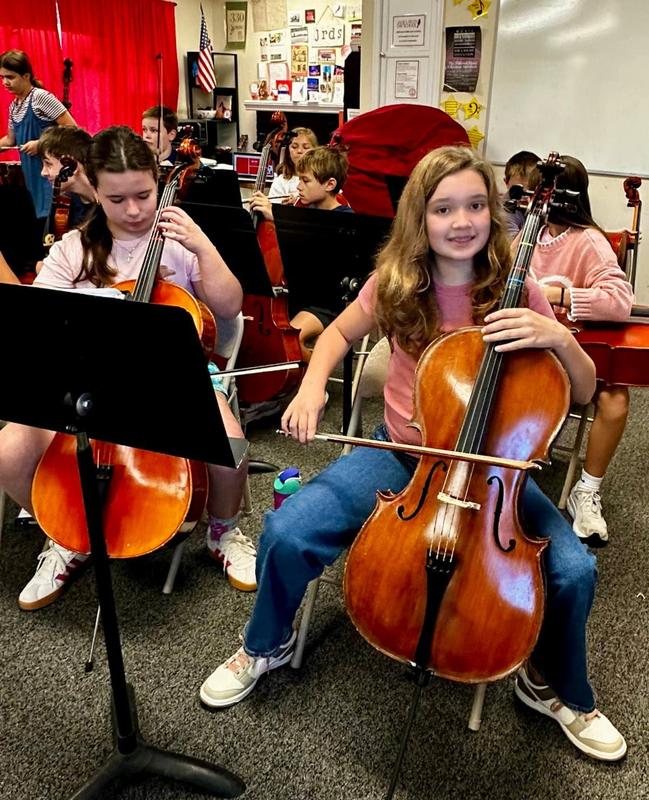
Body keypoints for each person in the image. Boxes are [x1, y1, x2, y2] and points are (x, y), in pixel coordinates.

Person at [200, 145, 626, 763]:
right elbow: (339, 333)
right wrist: (314, 385)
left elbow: (583, 391)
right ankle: (265, 642)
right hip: (405, 456)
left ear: (493, 212)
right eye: (443, 208)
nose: (462, 221)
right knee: (289, 530)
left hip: (493, 472)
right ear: (419, 218)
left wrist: (559, 337)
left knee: (574, 571)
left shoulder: (518, 289)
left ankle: (550, 686)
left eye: (475, 205)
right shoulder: (396, 281)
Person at [0, 125, 257, 610]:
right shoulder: (74, 248)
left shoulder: (178, 241)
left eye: (144, 195)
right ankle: (67, 533)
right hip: (86, 384)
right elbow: (39, 322)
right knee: (7, 452)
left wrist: (203, 247)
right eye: (118, 199)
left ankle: (223, 531)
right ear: (95, 190)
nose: (135, 211)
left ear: (158, 183)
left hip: (173, 381)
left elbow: (229, 307)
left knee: (231, 446)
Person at [523, 155, 634, 544]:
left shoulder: (589, 241)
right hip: (528, 349)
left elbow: (619, 300)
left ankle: (586, 490)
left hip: (572, 352)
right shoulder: (529, 236)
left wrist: (559, 295)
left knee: (616, 401)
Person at [250, 144, 354, 365]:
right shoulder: (304, 211)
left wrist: (281, 217)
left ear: (330, 184)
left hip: (324, 305)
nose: (299, 187)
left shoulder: (344, 219)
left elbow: (317, 238)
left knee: (288, 339)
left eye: (306, 181)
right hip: (292, 298)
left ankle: (316, 370)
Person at [0, 50, 76, 223]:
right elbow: (10, 140)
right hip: (32, 178)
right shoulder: (14, 106)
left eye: (10, 77)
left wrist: (41, 144)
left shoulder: (40, 97)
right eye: (2, 78)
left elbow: (73, 129)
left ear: (26, 76)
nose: (4, 82)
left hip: (51, 177)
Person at [38, 125, 96, 232]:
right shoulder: (62, 203)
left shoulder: (108, 203)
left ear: (72, 166)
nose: (43, 173)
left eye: (48, 164)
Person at [267, 127, 318, 203]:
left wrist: (298, 202)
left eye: (306, 147)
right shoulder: (280, 182)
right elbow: (273, 207)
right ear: (288, 152)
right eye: (294, 147)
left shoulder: (321, 179)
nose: (299, 151)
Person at [502, 150, 540, 238]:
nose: (525, 197)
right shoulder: (504, 211)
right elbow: (511, 243)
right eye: (518, 191)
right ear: (506, 182)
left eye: (531, 190)